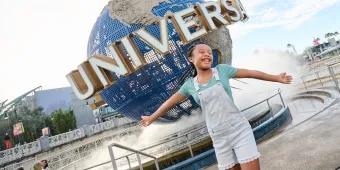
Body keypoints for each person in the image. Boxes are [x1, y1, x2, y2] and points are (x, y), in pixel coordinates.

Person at [140, 43, 292, 170]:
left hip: (239, 130)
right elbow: (169, 103)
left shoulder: (222, 71)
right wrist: (151, 118)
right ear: (191, 59)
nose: (207, 54)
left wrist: (277, 78)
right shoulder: (189, 85)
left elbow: (251, 73)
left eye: (209, 52)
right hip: (219, 138)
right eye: (201, 52)